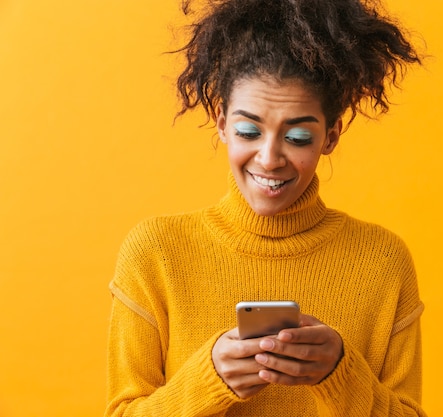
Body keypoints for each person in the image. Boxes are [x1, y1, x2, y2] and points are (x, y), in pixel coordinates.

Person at [105, 0, 426, 415]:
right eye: (248, 131)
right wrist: (208, 381)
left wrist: (340, 373)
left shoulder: (384, 262)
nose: (269, 158)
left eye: (297, 137)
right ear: (222, 123)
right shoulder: (155, 253)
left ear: (330, 137)